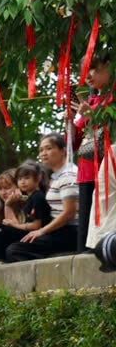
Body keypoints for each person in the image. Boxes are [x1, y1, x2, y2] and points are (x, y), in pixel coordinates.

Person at [7, 133, 80, 262]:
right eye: (41, 150)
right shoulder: (56, 176)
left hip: (69, 231)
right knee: (6, 235)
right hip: (57, 229)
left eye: (48, 148)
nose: (43, 153)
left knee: (15, 250)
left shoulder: (68, 175)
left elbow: (70, 213)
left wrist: (42, 231)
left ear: (63, 151)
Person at [72, 48, 112, 250]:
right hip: (87, 168)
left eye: (93, 69)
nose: (87, 76)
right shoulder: (92, 100)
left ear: (108, 67)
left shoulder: (110, 98)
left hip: (107, 168)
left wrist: (91, 114)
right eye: (84, 71)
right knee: (87, 218)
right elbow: (75, 140)